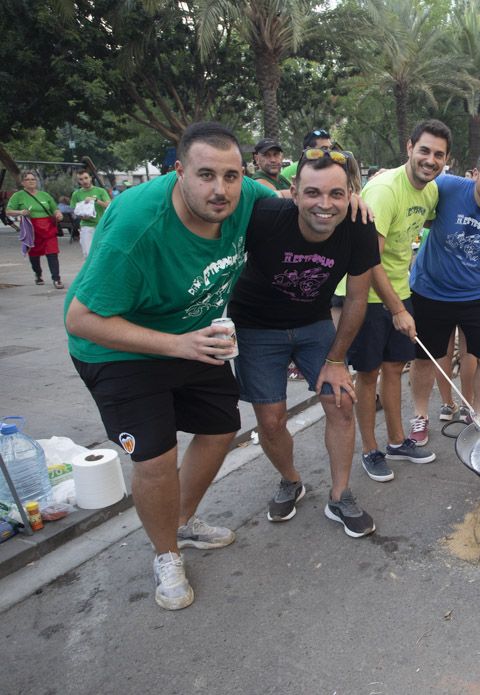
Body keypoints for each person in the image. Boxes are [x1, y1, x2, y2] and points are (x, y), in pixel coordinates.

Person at [63, 122, 279, 611]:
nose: (220, 190)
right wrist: (174, 345)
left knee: (222, 428)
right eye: (205, 175)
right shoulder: (137, 226)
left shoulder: (249, 195)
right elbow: (82, 318)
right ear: (178, 171)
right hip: (118, 345)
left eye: (231, 176)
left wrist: (350, 203)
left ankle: (181, 519)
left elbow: (297, 206)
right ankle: (166, 553)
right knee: (155, 459)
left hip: (193, 336)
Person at [228, 148, 379, 537]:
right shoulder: (265, 218)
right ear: (293, 192)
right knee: (271, 420)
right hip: (256, 326)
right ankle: (291, 480)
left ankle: (341, 494)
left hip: (313, 323)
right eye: (313, 193)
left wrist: (337, 359)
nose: (324, 205)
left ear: (350, 194)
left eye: (336, 194)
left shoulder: (359, 226)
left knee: (341, 400)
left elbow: (358, 298)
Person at [343, 119, 447, 482]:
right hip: (365, 295)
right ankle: (370, 449)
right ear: (409, 148)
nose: (430, 160)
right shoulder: (385, 190)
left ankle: (397, 441)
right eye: (424, 151)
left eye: (438, 155)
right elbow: (369, 260)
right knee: (368, 373)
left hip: (400, 288)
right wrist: (398, 309)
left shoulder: (431, 192)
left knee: (393, 369)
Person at [408, 146, 480, 427]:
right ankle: (420, 415)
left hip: (479, 294)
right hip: (429, 290)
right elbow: (410, 187)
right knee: (426, 358)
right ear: (476, 174)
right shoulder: (446, 187)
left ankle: (479, 415)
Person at [6, 171, 65, 288]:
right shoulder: (18, 196)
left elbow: (55, 209)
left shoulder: (45, 195)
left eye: (33, 179)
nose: (31, 181)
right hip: (31, 229)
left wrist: (59, 214)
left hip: (48, 228)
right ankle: (38, 274)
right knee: (34, 254)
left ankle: (56, 279)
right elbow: (8, 211)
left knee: (52, 252)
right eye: (28, 179)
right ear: (23, 183)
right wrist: (20, 212)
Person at [69, 170, 112, 258]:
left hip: (101, 225)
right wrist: (81, 215)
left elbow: (109, 205)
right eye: (81, 179)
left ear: (90, 178)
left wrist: (96, 200)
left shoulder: (100, 191)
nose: (84, 181)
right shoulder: (76, 194)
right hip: (86, 226)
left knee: (102, 252)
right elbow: (74, 210)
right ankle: (90, 270)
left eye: (86, 178)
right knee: (88, 253)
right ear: (79, 181)